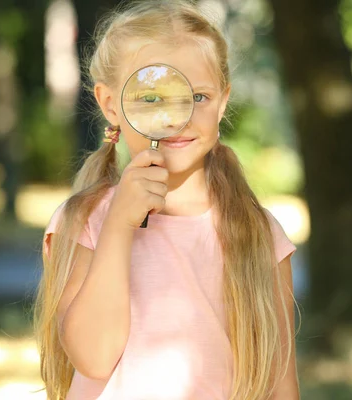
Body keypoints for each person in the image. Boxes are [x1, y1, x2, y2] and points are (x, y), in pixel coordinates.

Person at [33, 1, 300, 399]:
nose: (178, 117)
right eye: (152, 98)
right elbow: (93, 357)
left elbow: (281, 380)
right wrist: (119, 224)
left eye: (197, 97)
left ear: (223, 101)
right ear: (110, 105)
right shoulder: (86, 220)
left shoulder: (258, 232)